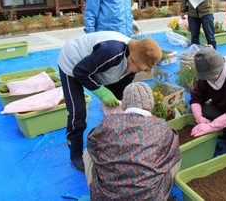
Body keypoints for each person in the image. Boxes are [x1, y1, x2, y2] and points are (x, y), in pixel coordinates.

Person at [57, 31, 162, 172]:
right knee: (78, 112)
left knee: (117, 106)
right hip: (73, 63)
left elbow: (120, 94)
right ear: (131, 58)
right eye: (138, 68)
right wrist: (102, 92)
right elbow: (80, 71)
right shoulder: (111, 52)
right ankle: (75, 155)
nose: (137, 72)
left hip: (96, 67)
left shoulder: (131, 66)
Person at [83, 82, 181, 200]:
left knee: (88, 152)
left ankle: (100, 189)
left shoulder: (109, 122)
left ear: (124, 105)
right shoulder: (161, 126)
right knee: (173, 149)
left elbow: (91, 142)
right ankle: (162, 193)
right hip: (150, 197)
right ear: (150, 106)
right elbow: (172, 150)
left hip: (107, 197)